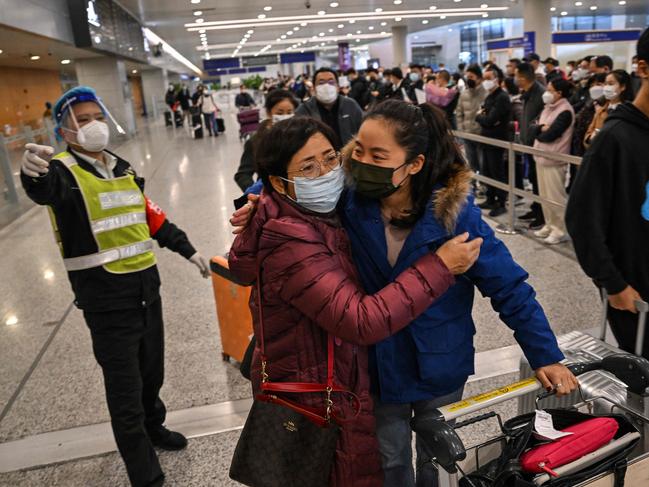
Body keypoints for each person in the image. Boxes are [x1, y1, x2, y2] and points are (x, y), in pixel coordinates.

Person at [233, 100, 578, 487]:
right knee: (389, 459)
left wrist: (544, 353)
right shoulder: (349, 197)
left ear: (414, 164)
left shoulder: (453, 214)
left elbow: (507, 285)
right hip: (376, 366)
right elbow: (288, 176)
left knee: (440, 459)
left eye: (378, 155)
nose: (359, 161)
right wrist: (257, 201)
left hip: (439, 361)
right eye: (357, 150)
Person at [229, 116, 482, 486]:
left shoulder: (319, 211)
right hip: (319, 401)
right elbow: (360, 320)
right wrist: (440, 266)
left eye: (331, 158)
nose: (326, 173)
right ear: (279, 183)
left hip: (340, 378)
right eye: (308, 167)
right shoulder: (291, 242)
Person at [20, 86, 210, 487]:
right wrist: (30, 172)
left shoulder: (122, 169)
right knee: (124, 389)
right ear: (65, 131)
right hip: (106, 301)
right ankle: (145, 472)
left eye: (97, 116)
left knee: (151, 372)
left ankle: (155, 427)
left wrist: (188, 249)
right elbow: (41, 189)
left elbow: (150, 217)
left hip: (147, 290)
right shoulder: (61, 173)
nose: (93, 125)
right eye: (82, 120)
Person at [567, 27, 649, 359]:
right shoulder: (615, 139)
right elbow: (582, 220)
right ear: (642, 68)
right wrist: (613, 285)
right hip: (637, 297)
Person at [530, 79, 575, 245]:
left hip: (555, 159)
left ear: (559, 93)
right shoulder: (547, 108)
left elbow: (551, 134)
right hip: (540, 156)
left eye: (550, 90)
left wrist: (539, 130)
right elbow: (532, 126)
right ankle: (549, 224)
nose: (546, 93)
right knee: (544, 196)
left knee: (555, 197)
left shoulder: (565, 111)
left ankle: (560, 230)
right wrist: (539, 128)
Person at [234, 89, 298, 193]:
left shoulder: (303, 136)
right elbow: (242, 175)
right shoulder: (256, 141)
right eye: (280, 113)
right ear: (269, 112)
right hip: (271, 196)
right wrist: (256, 192)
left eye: (289, 112)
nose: (285, 116)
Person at [295, 67, 363, 149]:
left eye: (331, 82)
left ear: (338, 87)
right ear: (313, 88)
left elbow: (363, 132)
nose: (326, 86)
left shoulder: (350, 105)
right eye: (321, 83)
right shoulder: (305, 110)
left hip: (348, 156)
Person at [476, 65, 512, 217]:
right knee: (487, 171)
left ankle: (501, 202)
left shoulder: (502, 97)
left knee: (497, 172)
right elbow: (485, 116)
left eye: (489, 79)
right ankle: (490, 198)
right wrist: (482, 116)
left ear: (497, 80)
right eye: (484, 79)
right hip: (487, 138)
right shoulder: (490, 96)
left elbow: (490, 119)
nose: (486, 82)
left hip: (497, 139)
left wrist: (481, 116)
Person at [515, 62, 546, 230]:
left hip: (536, 145)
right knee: (533, 180)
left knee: (538, 181)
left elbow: (540, 120)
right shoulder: (527, 93)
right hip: (528, 143)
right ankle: (535, 209)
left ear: (522, 77)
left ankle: (542, 215)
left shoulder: (540, 93)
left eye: (516, 75)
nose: (514, 79)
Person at [584, 70, 633, 148]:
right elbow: (587, 135)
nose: (606, 87)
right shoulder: (600, 110)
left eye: (611, 84)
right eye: (605, 84)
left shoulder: (629, 112)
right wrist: (591, 138)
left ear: (623, 86)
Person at [456, 64, 487, 179]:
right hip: (467, 135)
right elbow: (459, 113)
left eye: (472, 77)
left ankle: (483, 186)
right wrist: (461, 130)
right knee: (471, 164)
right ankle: (473, 186)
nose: (469, 79)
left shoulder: (486, 94)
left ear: (479, 78)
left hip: (481, 135)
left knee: (483, 164)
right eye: (467, 77)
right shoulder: (464, 94)